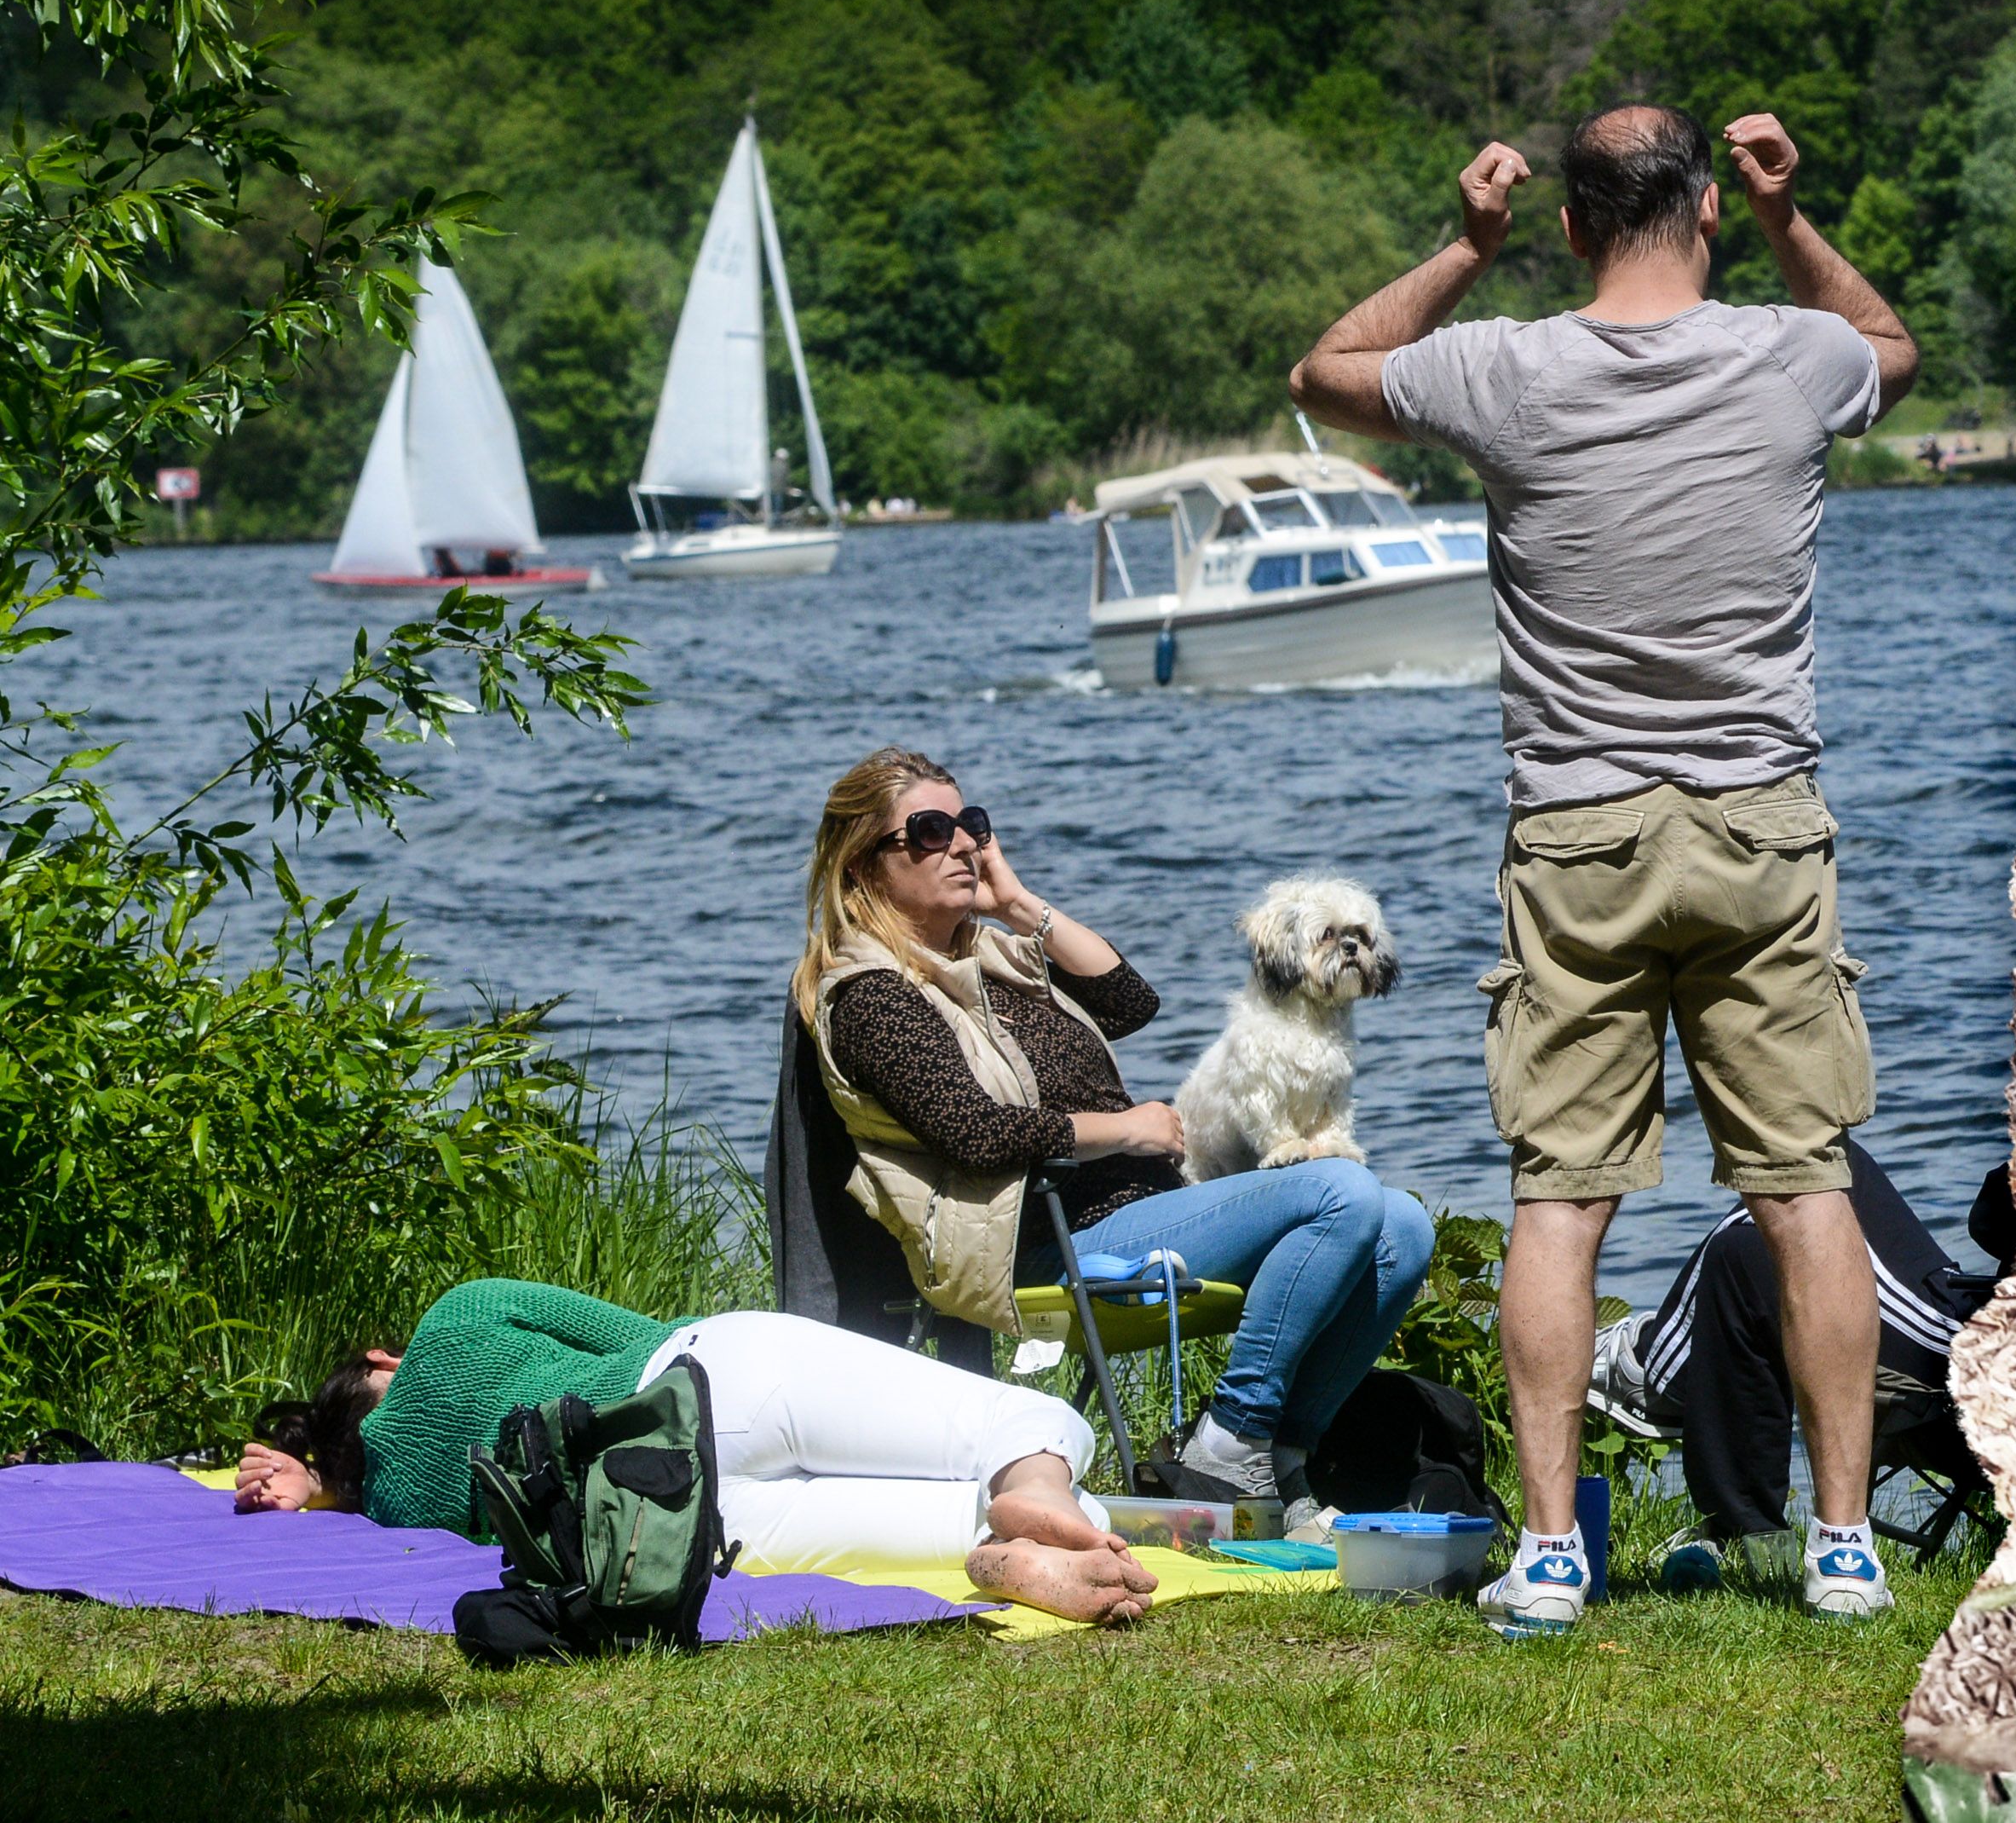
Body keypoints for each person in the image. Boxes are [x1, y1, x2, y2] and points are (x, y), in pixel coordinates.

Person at [1293, 104, 1918, 1632]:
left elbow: (1323, 371)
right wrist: (1788, 218)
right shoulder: (1789, 352)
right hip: (1760, 822)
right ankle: (1842, 1542)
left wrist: (1462, 244)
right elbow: (1890, 349)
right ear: (1701, 206)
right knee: (1803, 1186)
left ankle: (1556, 1548)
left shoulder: (1502, 367)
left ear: (1570, 223)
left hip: (1575, 836)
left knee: (1558, 1199)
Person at [791, 746, 1433, 1531]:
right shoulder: (871, 993)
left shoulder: (992, 955)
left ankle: (1280, 1452)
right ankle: (1231, 1433)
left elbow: (1130, 1000)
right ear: (865, 862)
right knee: (1339, 1191)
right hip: (1042, 1235)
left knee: (1402, 1225)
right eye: (930, 830)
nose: (962, 844)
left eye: (971, 825)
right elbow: (977, 1133)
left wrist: (1019, 903)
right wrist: (1126, 1127)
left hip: (1139, 1210)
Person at [236, 1282, 1157, 1624]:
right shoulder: (454, 1317)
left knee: (909, 1527)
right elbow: (638, 1330)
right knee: (1019, 1425)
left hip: (663, 1515)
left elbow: (356, 1491)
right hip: (709, 1375)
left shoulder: (393, 1499)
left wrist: (317, 1486)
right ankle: (1032, 1488)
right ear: (380, 1363)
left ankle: (1002, 1556)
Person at [1593, 1140, 2007, 1586]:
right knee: (1817, 1158)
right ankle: (1664, 1376)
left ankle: (1660, 1380)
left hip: (1990, 1382)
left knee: (1764, 1231)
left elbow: (1994, 1217)